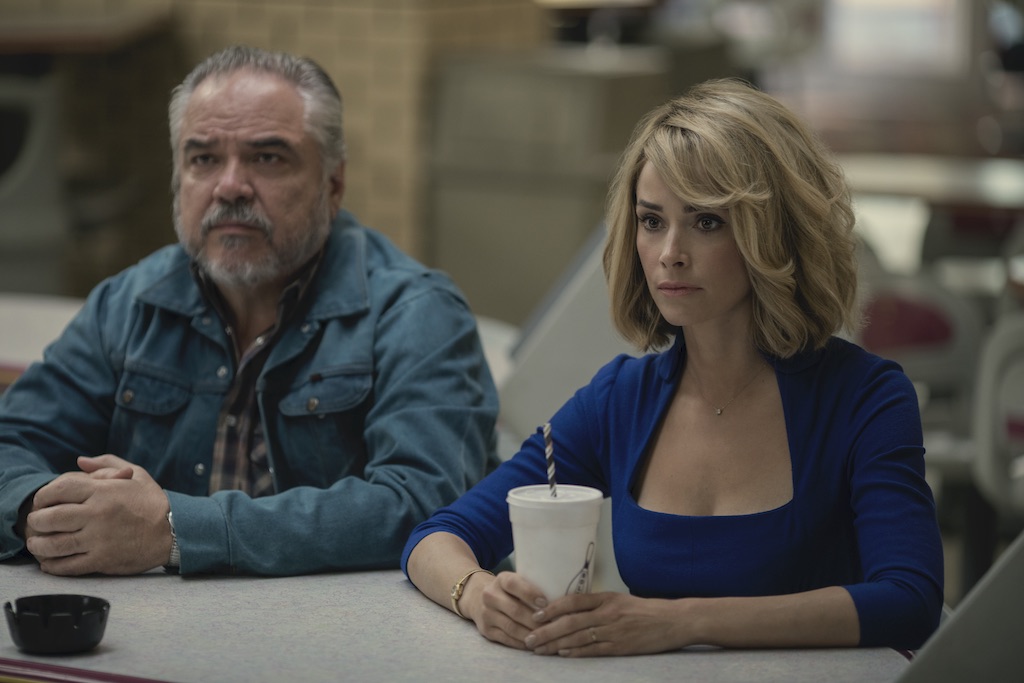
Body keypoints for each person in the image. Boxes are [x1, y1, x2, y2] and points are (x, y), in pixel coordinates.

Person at [401, 78, 944, 655]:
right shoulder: (620, 400)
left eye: (707, 221)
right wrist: (477, 594)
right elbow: (436, 536)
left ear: (774, 234)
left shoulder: (866, 397)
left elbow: (909, 601)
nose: (669, 254)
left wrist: (681, 622)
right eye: (652, 221)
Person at [0, 46, 499, 577]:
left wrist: (176, 530)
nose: (230, 186)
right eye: (203, 159)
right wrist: (44, 513)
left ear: (333, 184)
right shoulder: (128, 303)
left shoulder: (417, 311)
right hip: (158, 620)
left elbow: (424, 503)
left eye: (267, 158)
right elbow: (12, 442)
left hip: (349, 623)